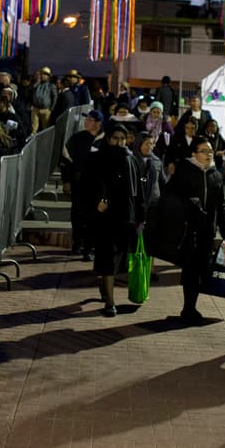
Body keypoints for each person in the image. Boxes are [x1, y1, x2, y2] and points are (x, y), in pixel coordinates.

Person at [162, 135, 225, 325]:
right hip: (188, 230)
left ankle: (191, 306)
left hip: (207, 231)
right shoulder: (184, 171)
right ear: (194, 154)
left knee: (201, 269)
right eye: (203, 151)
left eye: (210, 151)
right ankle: (189, 308)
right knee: (191, 269)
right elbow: (169, 195)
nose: (208, 154)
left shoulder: (215, 174)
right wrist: (187, 203)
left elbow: (220, 205)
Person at [88, 124, 139, 316]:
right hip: (104, 216)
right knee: (108, 256)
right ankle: (110, 302)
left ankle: (104, 284)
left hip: (125, 216)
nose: (119, 142)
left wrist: (139, 215)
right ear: (108, 138)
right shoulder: (97, 159)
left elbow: (137, 190)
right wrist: (96, 204)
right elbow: (87, 185)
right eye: (116, 138)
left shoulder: (130, 159)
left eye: (122, 138)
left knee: (117, 258)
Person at [60, 110, 104, 260]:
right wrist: (66, 180)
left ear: (98, 123)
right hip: (79, 184)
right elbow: (66, 159)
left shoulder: (105, 140)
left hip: (98, 186)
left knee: (95, 216)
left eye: (90, 120)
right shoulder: (78, 138)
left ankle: (90, 246)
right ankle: (78, 243)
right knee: (78, 214)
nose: (86, 122)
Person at [130, 132, 163, 213]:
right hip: (136, 203)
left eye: (151, 144)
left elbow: (163, 182)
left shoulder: (157, 162)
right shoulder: (131, 160)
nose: (149, 147)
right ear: (139, 144)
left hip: (154, 203)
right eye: (146, 144)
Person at [29, 66, 57, 132]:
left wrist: (51, 109)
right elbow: (30, 92)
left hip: (46, 109)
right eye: (42, 74)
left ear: (48, 76)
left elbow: (55, 97)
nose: (43, 76)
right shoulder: (36, 84)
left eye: (45, 74)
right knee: (34, 127)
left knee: (45, 127)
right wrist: (36, 83)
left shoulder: (51, 85)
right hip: (35, 108)